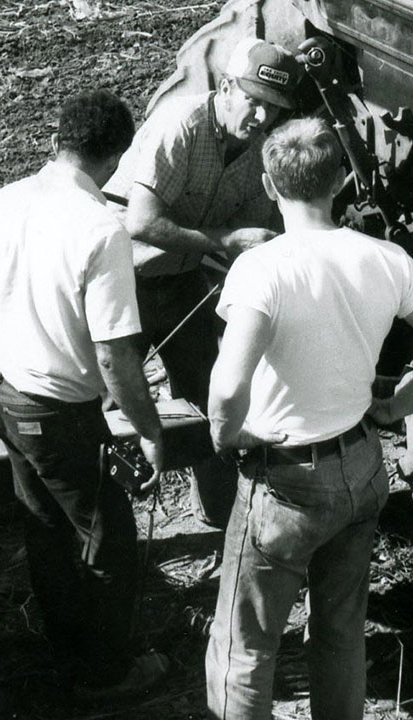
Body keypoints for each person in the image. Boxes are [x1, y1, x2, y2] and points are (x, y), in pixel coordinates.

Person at [160, 117, 413, 720]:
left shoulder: (263, 269)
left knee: (244, 646)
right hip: (362, 468)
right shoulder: (384, 259)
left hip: (283, 484)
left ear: (271, 186)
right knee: (340, 631)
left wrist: (228, 433)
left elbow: (224, 387)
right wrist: (397, 402)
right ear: (340, 182)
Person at [0, 90, 169, 701]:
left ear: (56, 141)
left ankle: (64, 640)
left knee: (43, 523)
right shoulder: (103, 232)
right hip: (53, 411)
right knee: (109, 536)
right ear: (116, 160)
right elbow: (113, 356)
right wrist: (149, 429)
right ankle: (104, 673)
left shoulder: (8, 197)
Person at [105, 37, 303, 529]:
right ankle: (107, 513)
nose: (260, 117)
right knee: (112, 400)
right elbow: (142, 223)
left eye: (273, 109)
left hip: (182, 280)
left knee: (209, 389)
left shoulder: (260, 149)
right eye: (254, 101)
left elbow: (256, 235)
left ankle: (220, 515)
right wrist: (225, 240)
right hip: (124, 281)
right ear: (228, 86)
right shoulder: (182, 124)